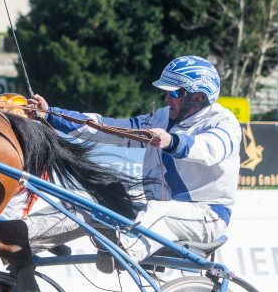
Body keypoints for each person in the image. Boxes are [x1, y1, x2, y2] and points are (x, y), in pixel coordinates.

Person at [25, 55, 240, 271]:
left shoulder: (224, 123)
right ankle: (20, 238)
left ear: (198, 97)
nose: (166, 98)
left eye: (174, 92)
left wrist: (171, 141)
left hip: (207, 217)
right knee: (89, 202)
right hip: (155, 211)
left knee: (160, 212)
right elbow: (107, 129)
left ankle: (123, 253)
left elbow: (208, 149)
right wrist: (50, 114)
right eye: (165, 92)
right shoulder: (162, 118)